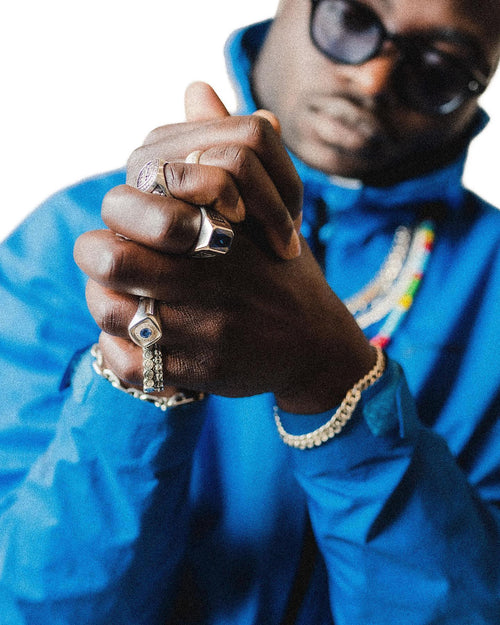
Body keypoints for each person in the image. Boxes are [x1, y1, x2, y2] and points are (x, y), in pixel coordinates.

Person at [0, 0, 499, 623]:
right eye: (349, 20)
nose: (371, 81)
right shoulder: (82, 239)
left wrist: (333, 373)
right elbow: (37, 608)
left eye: (441, 67)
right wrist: (142, 371)